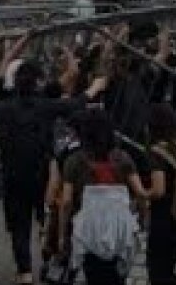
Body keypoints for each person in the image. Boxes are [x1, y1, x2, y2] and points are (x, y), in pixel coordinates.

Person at [0, 55, 107, 285]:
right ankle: (48, 261)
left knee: (19, 225)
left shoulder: (3, 108)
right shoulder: (45, 106)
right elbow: (75, 104)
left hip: (12, 175)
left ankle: (24, 272)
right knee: (45, 219)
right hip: (41, 174)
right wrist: (94, 88)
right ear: (37, 82)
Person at [58, 111, 148, 285]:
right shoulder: (123, 158)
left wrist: (62, 235)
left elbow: (67, 201)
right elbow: (140, 193)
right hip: (118, 229)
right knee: (117, 275)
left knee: (93, 274)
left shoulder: (74, 161)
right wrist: (143, 220)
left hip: (89, 229)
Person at [145, 104, 176, 285]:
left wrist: (142, 194)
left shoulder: (157, 153)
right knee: (167, 269)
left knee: (158, 273)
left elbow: (159, 190)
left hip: (165, 219)